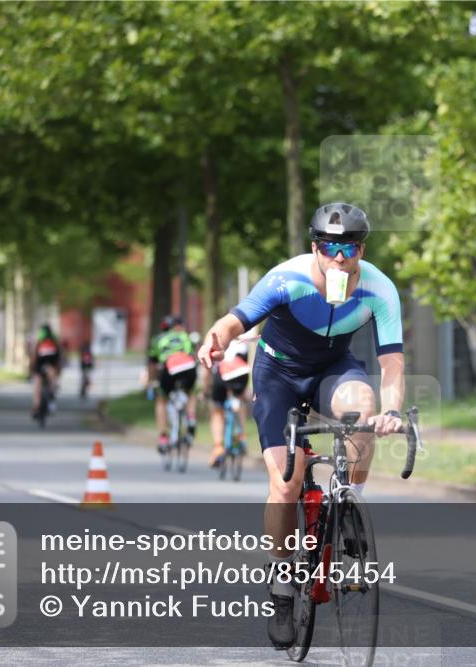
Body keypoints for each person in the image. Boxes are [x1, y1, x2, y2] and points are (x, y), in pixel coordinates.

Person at [197, 202, 405, 648]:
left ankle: (348, 503)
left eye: (347, 247)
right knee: (286, 482)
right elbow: (235, 320)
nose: (338, 256)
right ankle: (280, 590)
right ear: (315, 247)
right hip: (278, 373)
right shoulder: (286, 278)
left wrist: (391, 411)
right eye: (328, 246)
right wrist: (215, 339)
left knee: (363, 411)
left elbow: (391, 363)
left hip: (333, 368)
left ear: (360, 249)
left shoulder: (379, 288)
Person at [147, 314, 198, 455]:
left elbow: (152, 363)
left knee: (161, 399)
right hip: (188, 367)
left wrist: (151, 381)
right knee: (191, 392)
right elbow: (193, 354)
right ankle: (191, 417)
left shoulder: (157, 339)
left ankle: (163, 436)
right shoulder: (184, 336)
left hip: (169, 369)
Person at [207, 339, 251, 467]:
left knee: (217, 410)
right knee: (239, 401)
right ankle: (241, 435)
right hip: (241, 373)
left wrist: (206, 388)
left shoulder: (214, 342)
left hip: (223, 373)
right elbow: (245, 363)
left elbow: (208, 369)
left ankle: (218, 447)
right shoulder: (243, 342)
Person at [31, 323, 61, 419]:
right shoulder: (54, 340)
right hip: (51, 365)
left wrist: (31, 368)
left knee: (37, 388)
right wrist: (58, 370)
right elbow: (58, 357)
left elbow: (34, 356)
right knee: (52, 378)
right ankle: (51, 393)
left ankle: (36, 408)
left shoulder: (39, 340)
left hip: (39, 366)